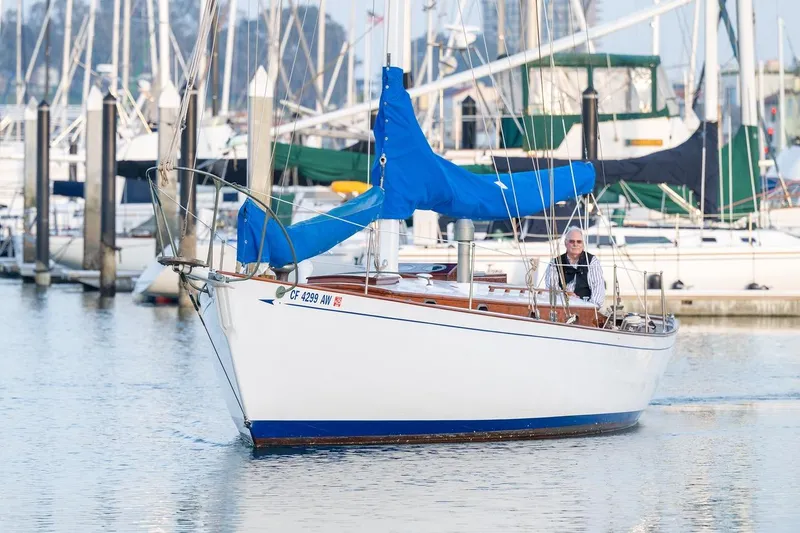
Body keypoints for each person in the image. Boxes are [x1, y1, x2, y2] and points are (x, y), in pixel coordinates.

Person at [545, 226, 605, 307]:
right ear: (566, 243)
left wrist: (590, 307)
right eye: (572, 241)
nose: (575, 244)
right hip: (561, 307)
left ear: (583, 244)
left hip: (586, 307)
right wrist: (566, 297)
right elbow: (551, 288)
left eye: (579, 241)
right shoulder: (555, 263)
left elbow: (598, 288)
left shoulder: (592, 261)